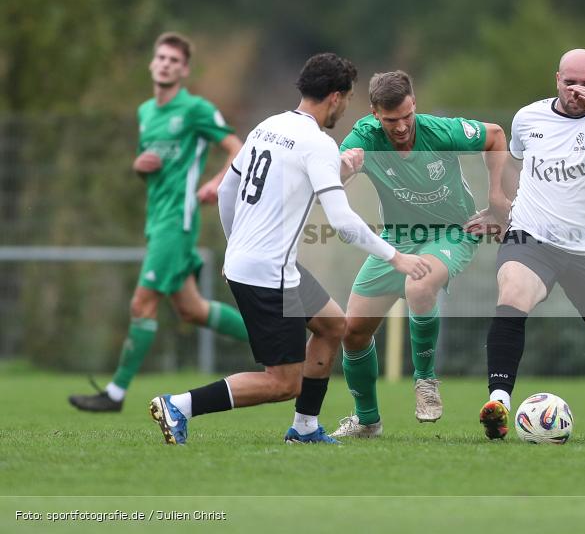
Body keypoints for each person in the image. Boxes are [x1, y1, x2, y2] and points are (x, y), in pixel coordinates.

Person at [149, 52, 430, 445]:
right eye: (347, 99)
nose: (346, 108)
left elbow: (229, 188)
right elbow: (344, 223)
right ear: (336, 96)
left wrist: (238, 244)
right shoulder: (318, 143)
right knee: (282, 383)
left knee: (334, 325)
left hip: (266, 265)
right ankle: (180, 405)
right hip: (268, 274)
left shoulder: (268, 126)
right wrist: (396, 256)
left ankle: (305, 429)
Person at [473, 48, 585, 442]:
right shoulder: (527, 117)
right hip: (532, 236)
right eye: (570, 82)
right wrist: (499, 209)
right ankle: (499, 403)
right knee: (512, 295)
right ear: (556, 78)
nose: (578, 90)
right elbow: (518, 167)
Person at [69, 32, 249, 412]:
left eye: (173, 60)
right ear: (153, 63)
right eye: (160, 57)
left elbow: (239, 148)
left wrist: (216, 183)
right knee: (192, 310)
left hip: (177, 223)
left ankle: (115, 394)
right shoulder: (145, 112)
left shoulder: (196, 110)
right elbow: (146, 162)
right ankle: (282, 343)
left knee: (142, 303)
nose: (165, 64)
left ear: (184, 69)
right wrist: (138, 165)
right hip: (156, 221)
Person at [330, 70, 509, 438]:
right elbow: (331, 177)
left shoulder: (440, 132)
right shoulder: (363, 138)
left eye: (407, 117)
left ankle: (426, 382)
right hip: (396, 240)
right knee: (352, 333)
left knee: (419, 285)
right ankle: (367, 422)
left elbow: (495, 136)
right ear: (375, 113)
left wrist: (496, 199)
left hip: (452, 233)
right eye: (391, 120)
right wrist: (343, 169)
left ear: (415, 105)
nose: (400, 127)